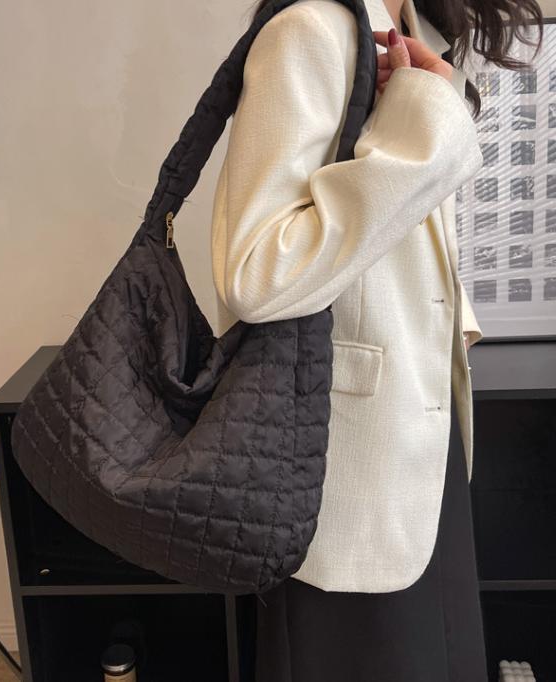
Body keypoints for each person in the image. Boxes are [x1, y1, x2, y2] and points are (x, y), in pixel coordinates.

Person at [210, 0, 543, 679]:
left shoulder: (415, 29)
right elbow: (255, 272)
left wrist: (452, 323)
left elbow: (404, 236)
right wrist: (426, 138)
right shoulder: (310, 30)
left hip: (419, 429)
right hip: (342, 458)